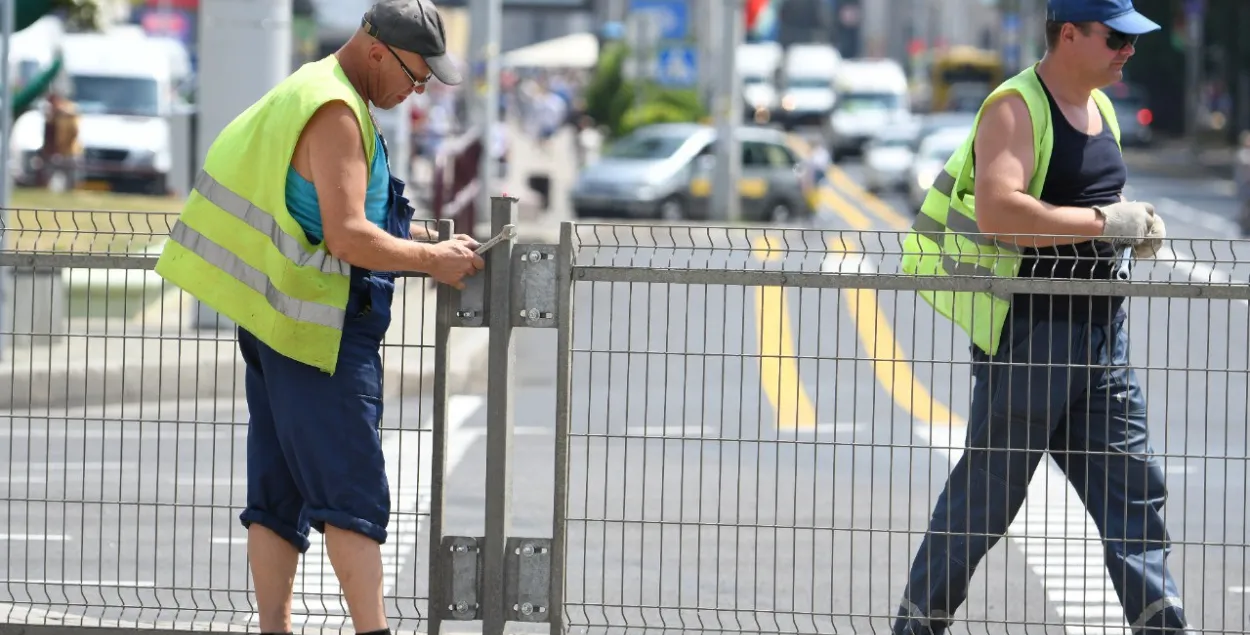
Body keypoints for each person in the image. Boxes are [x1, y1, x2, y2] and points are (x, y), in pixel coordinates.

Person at [152, 2, 484, 634]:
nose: (417, 91)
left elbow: (316, 211)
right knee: (351, 499)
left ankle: (274, 628)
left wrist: (419, 238)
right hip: (323, 334)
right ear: (378, 49)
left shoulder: (306, 88)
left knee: (277, 497)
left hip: (276, 322)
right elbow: (349, 237)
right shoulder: (336, 113)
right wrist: (429, 260)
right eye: (417, 75)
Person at [895, 0, 1187, 633]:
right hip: (1033, 340)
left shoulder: (1102, 107)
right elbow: (1001, 214)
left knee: (1135, 493)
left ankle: (1163, 626)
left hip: (1102, 337)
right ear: (1070, 34)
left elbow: (1092, 206)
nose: (1127, 50)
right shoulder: (1015, 106)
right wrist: (1104, 222)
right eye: (1116, 38)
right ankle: (916, 625)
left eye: (1132, 38)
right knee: (985, 503)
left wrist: (1125, 229)